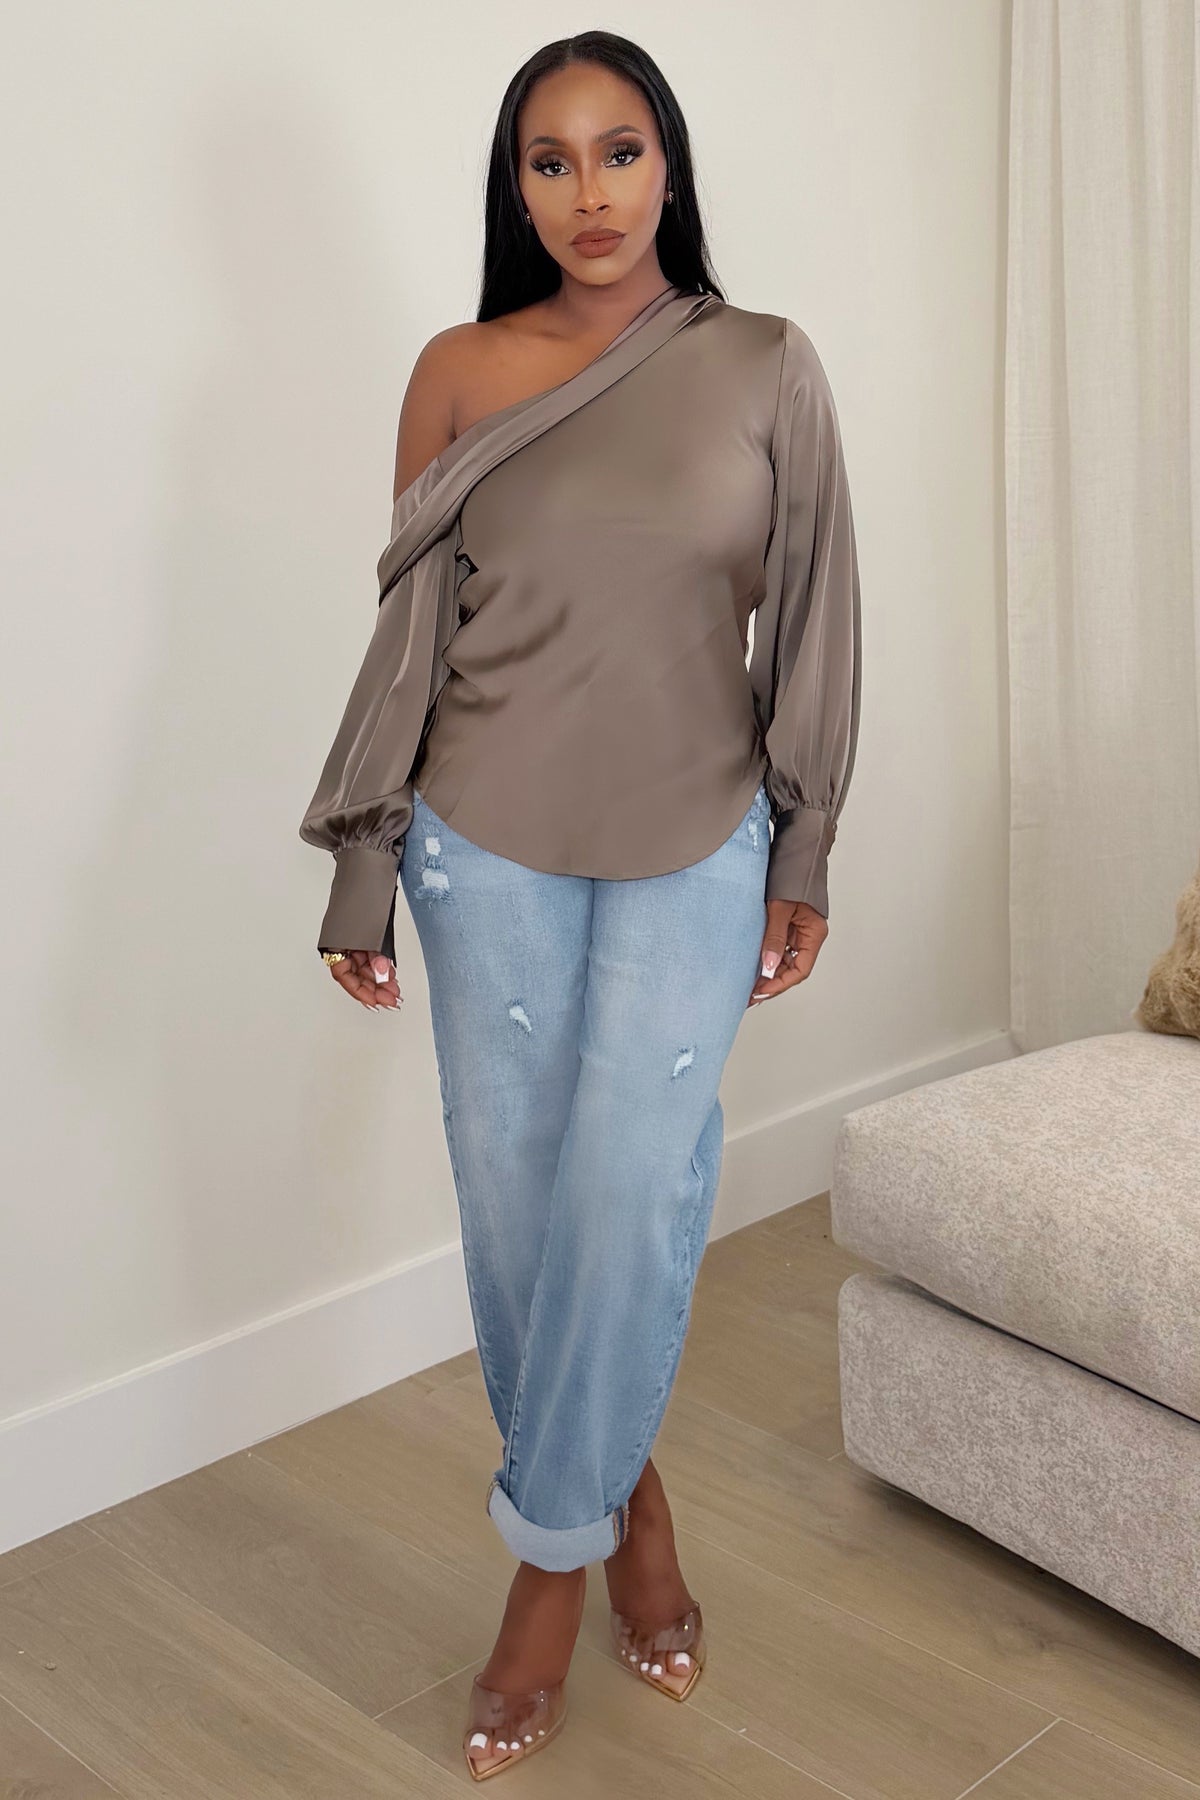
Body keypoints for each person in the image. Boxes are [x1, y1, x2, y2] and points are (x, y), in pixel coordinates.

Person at [298, 28, 861, 1783]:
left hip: (701, 834)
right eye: (551, 161)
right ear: (517, 188)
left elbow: (819, 616)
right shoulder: (460, 371)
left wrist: (805, 845)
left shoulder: (766, 364)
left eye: (621, 153)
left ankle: (546, 1577)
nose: (591, 193)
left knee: (631, 1190)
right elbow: (410, 640)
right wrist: (366, 861)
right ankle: (629, 1507)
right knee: (521, 1206)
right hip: (482, 840)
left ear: (669, 166)